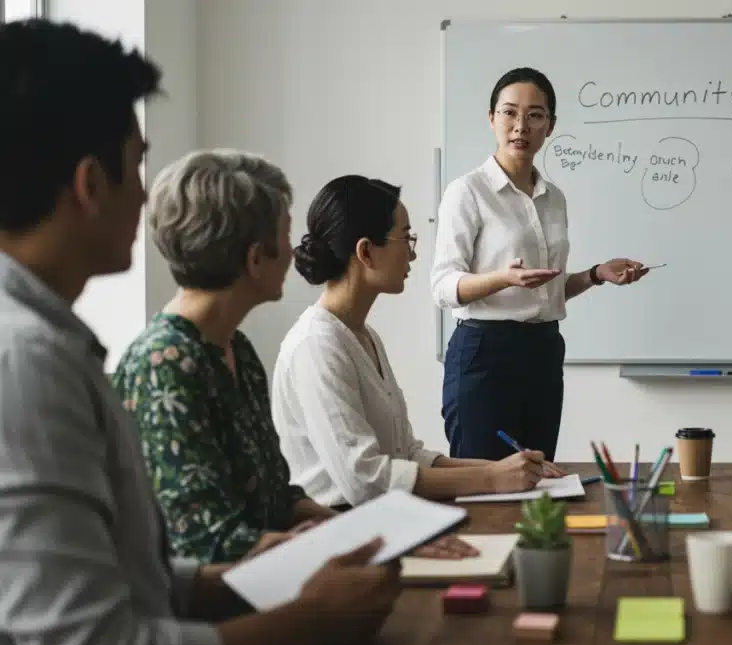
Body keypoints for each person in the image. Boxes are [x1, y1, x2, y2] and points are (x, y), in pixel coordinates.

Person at [0, 18, 401, 645]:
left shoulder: (52, 345)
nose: (145, 197)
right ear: (90, 184)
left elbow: (140, 574)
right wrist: (310, 616)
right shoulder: (28, 362)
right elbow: (90, 644)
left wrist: (263, 569)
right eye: (137, 166)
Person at [112, 151, 473, 564]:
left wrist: (384, 536)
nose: (295, 251)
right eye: (284, 237)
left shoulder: (237, 349)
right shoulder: (166, 366)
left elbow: (278, 498)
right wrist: (365, 541)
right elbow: (207, 548)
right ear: (255, 259)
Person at [274, 174, 565, 506]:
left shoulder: (364, 336)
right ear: (366, 251)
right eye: (405, 238)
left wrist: (506, 468)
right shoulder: (317, 345)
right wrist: (491, 478)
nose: (412, 255)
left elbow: (407, 454)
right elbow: (365, 481)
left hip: (384, 514)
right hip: (342, 524)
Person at [431, 67, 651, 462]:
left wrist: (596, 274)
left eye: (535, 115)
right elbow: (443, 287)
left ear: (550, 126)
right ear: (491, 118)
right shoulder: (467, 191)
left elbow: (546, 289)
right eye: (509, 113)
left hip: (543, 352)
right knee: (483, 480)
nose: (521, 126)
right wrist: (503, 279)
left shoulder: (554, 198)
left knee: (537, 475)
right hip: (485, 353)